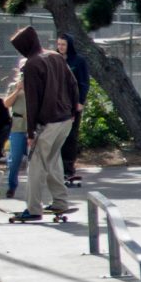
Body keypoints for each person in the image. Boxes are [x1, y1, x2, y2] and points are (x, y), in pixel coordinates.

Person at [6, 25, 79, 224]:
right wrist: (73, 110)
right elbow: (73, 84)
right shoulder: (55, 56)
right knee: (53, 161)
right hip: (65, 120)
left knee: (36, 165)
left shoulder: (31, 65)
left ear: (25, 45)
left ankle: (33, 208)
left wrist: (30, 133)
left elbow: (32, 102)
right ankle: (60, 202)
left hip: (48, 123)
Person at [57, 33, 92, 186]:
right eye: (58, 44)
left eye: (63, 44)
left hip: (72, 104)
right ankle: (56, 167)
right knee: (56, 135)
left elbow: (84, 83)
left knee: (70, 136)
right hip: (57, 104)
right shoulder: (55, 59)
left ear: (69, 45)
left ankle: (68, 167)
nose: (60, 47)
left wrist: (80, 101)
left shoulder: (78, 61)